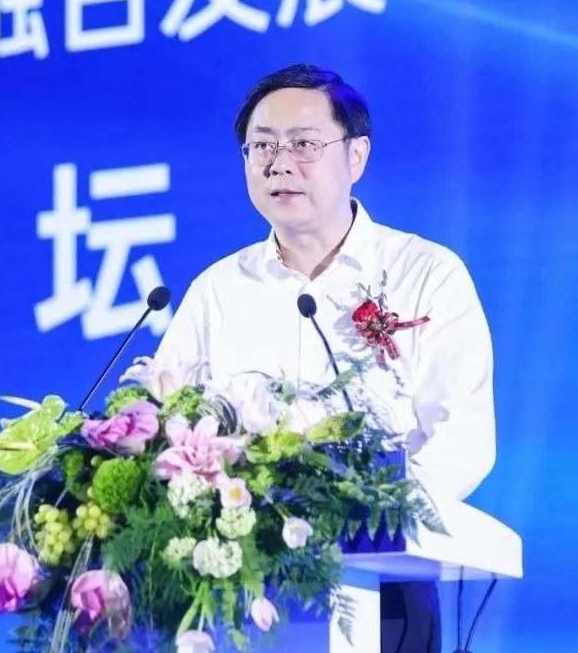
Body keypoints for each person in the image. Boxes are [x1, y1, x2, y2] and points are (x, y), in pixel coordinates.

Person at [154, 64, 496, 653]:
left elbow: (461, 437)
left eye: (304, 144)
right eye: (262, 146)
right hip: (241, 587)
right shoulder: (218, 289)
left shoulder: (425, 273)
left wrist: (376, 518)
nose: (279, 163)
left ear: (356, 156)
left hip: (385, 578)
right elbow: (169, 421)